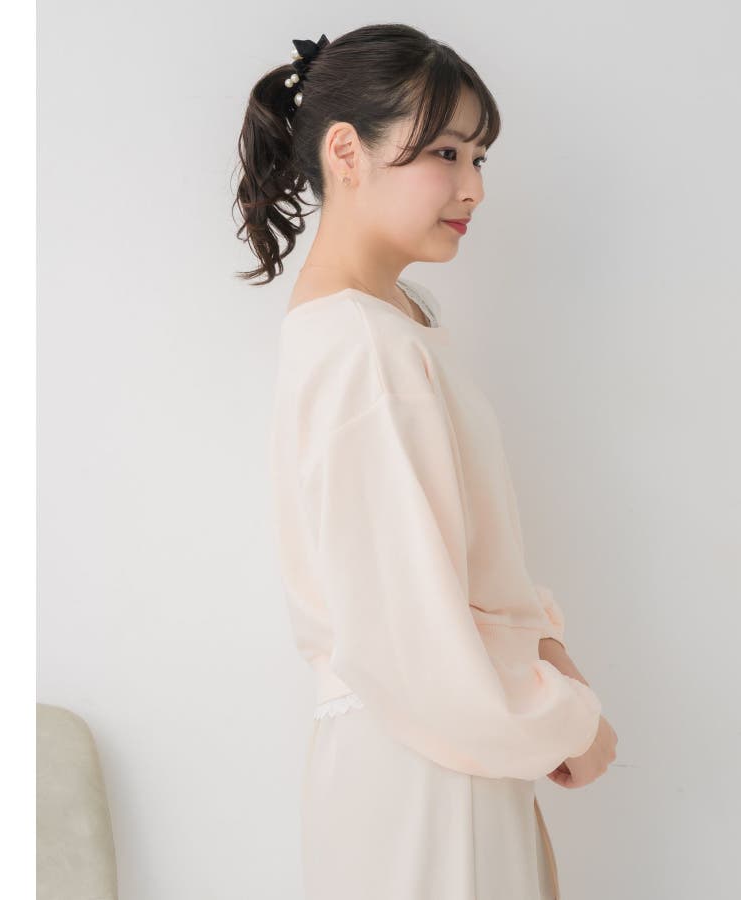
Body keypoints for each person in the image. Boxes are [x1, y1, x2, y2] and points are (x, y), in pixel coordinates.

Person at [233, 23, 618, 900]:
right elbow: (406, 633)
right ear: (346, 152)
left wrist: (549, 656)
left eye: (479, 156)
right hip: (422, 757)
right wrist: (567, 720)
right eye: (445, 152)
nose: (473, 186)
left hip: (437, 745)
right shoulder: (363, 346)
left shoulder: (393, 321)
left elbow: (460, 567)